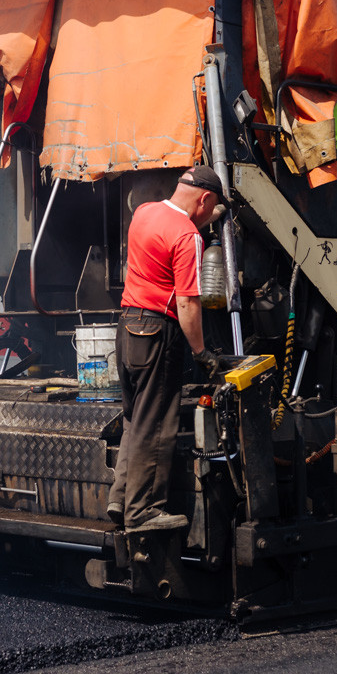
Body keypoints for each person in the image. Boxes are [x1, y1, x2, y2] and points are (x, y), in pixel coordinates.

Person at [107, 166, 225, 533]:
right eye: (211, 207)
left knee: (134, 419)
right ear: (204, 198)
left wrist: (209, 216)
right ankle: (143, 512)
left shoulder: (144, 212)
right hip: (159, 332)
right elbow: (189, 304)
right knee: (157, 423)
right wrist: (202, 352)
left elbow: (165, 240)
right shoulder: (188, 237)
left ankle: (120, 497)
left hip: (127, 327)